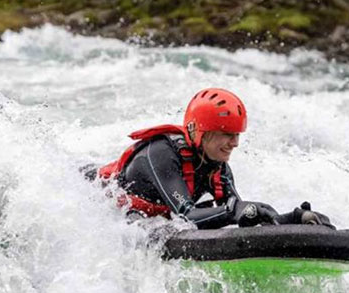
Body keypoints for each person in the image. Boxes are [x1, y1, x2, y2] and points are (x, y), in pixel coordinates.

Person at [91, 88, 334, 229]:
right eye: (227, 134)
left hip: (156, 214)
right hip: (94, 195)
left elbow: (243, 218)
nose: (235, 143)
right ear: (200, 133)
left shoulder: (218, 168)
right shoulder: (160, 154)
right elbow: (185, 215)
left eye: (237, 135)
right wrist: (234, 211)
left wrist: (293, 219)